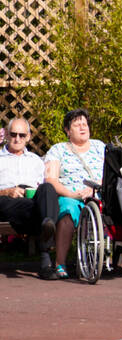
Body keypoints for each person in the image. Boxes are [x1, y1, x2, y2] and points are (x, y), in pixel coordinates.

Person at [44, 109, 122, 277]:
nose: (83, 128)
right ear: (67, 130)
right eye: (77, 124)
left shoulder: (100, 146)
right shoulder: (58, 149)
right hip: (73, 195)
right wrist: (72, 194)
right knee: (67, 210)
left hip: (102, 195)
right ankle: (60, 264)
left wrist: (98, 188)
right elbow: (51, 180)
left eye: (85, 124)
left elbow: (114, 173)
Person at [0, 117, 58, 277]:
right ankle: (46, 259)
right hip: (6, 200)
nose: (17, 139)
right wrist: (7, 191)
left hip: (31, 199)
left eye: (21, 135)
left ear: (28, 137)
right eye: (13, 134)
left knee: (48, 188)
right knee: (40, 212)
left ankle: (47, 223)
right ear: (6, 135)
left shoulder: (36, 161)